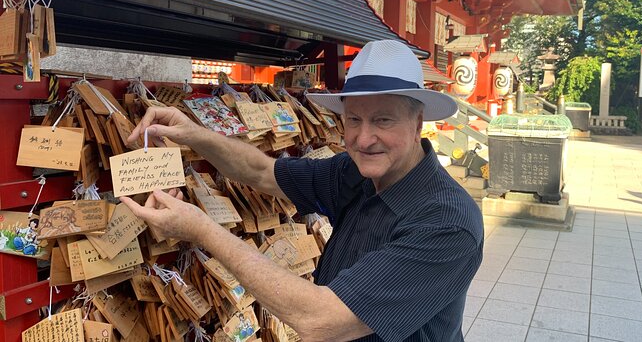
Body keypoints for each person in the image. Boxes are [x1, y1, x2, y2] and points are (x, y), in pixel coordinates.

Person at [122, 40, 484, 342]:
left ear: (417, 121)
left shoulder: (447, 222)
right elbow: (262, 171)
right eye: (353, 119)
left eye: (383, 120)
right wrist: (194, 134)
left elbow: (320, 319)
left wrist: (201, 229)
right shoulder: (355, 173)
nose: (363, 138)